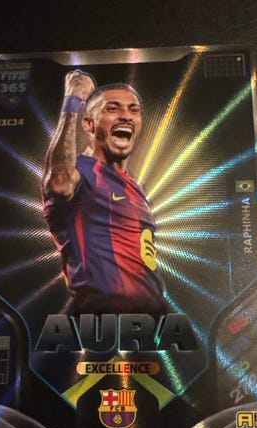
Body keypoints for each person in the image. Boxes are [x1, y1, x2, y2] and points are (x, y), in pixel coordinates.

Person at [41, 70, 168, 316]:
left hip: (153, 323)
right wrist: (73, 100)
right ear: (89, 124)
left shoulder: (136, 187)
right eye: (113, 109)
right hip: (103, 323)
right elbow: (59, 183)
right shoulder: (80, 171)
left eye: (134, 110)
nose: (126, 116)